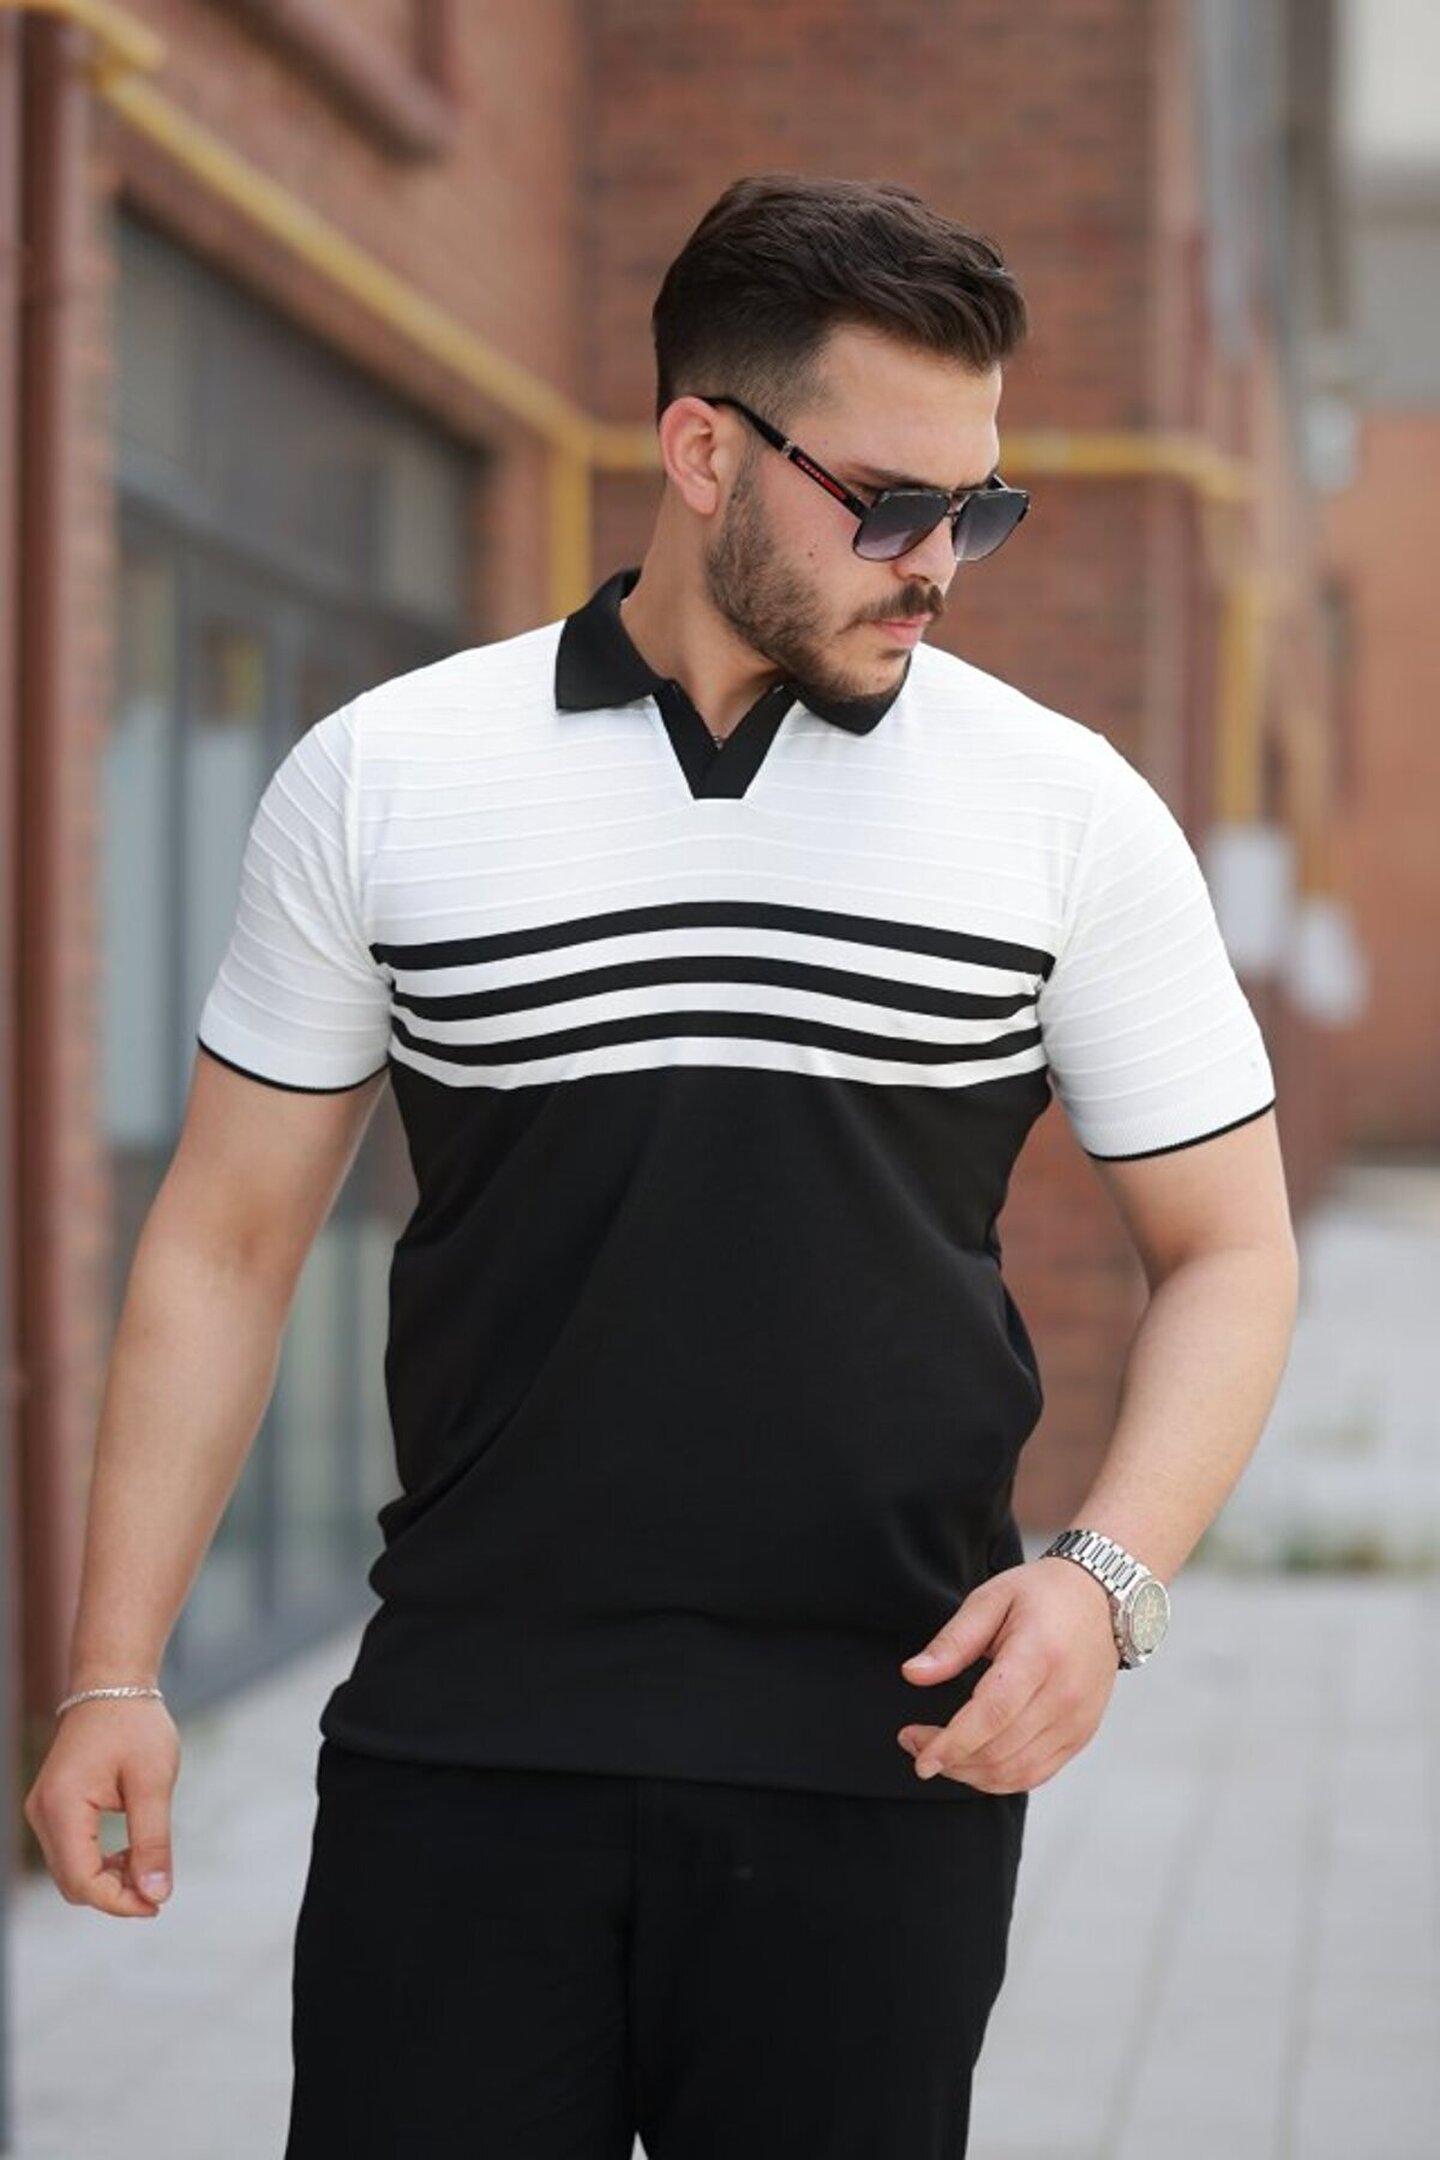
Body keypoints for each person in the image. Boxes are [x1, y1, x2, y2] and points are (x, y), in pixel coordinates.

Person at [24, 173, 1299, 2159]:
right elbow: (226, 1238)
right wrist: (114, 1674)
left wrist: (1104, 1580)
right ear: (702, 452)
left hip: (885, 1756)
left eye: (979, 509)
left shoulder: (1067, 812)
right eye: (890, 504)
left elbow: (1230, 1247)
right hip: (465, 1744)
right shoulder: (387, 777)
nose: (939, 565)